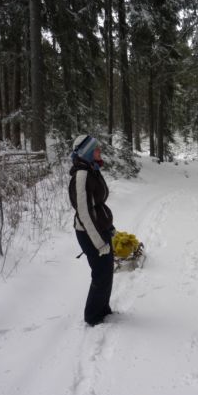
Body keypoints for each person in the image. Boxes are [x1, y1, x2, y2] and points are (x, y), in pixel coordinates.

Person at [69, 135, 115, 326]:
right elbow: (84, 213)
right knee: (100, 273)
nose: (100, 151)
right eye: (96, 149)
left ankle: (103, 309)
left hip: (99, 228)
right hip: (89, 233)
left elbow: (97, 204)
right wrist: (98, 242)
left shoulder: (92, 169)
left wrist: (108, 227)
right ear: (87, 152)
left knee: (107, 271)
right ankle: (92, 316)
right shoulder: (82, 175)